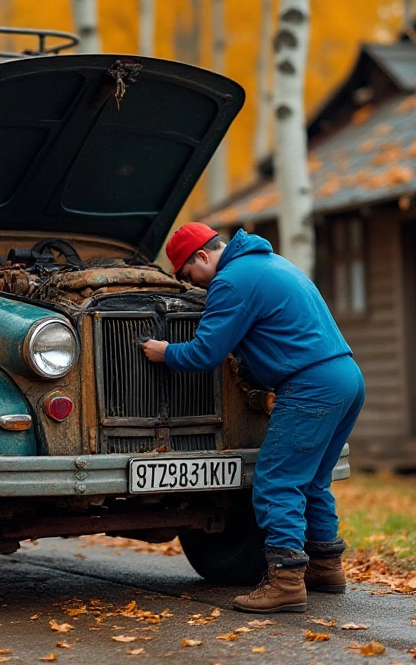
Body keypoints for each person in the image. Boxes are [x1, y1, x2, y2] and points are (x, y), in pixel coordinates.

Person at [140, 222, 364, 613]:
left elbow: (204, 354)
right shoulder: (273, 263)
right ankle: (327, 567)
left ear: (203, 256)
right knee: (312, 480)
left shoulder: (232, 281)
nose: (192, 284)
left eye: (188, 274)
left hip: (310, 385)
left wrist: (164, 351)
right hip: (346, 377)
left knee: (277, 480)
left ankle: (285, 581)